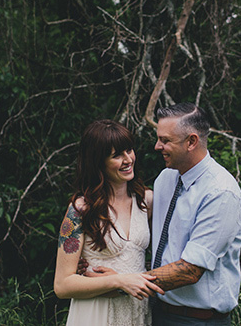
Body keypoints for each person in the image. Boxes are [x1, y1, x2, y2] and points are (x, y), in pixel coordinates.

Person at [86, 103, 241, 325]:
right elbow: (128, 218)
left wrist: (121, 282)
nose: (156, 146)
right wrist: (87, 253)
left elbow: (189, 270)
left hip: (197, 320)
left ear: (191, 141)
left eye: (165, 140)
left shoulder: (220, 193)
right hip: (156, 313)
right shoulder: (166, 179)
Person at [54, 119, 163, 325]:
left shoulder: (147, 201)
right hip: (97, 312)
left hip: (136, 310)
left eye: (129, 150)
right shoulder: (81, 209)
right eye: (116, 155)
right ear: (98, 162)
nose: (128, 159)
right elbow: (62, 285)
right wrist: (118, 281)